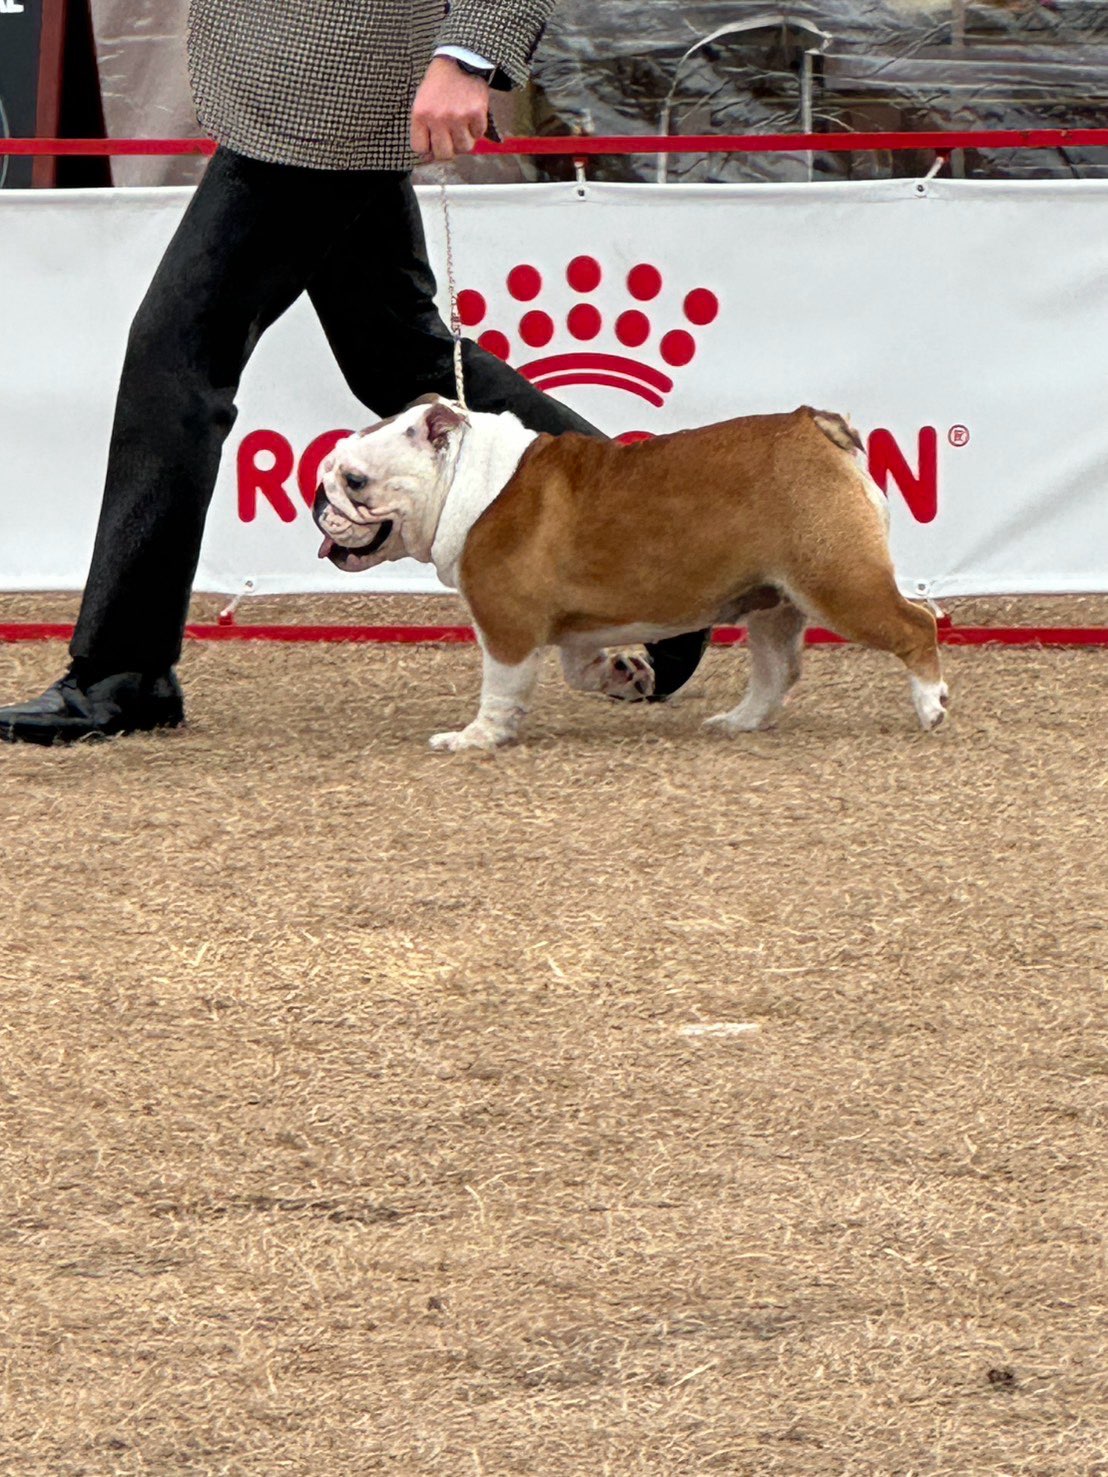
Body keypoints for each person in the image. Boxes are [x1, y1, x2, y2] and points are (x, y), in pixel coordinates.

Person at [0, 0, 709, 745]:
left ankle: (123, 670)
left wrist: (468, 55)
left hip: (325, 95)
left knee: (174, 361)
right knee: (401, 358)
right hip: (298, 83)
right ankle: (671, 546)